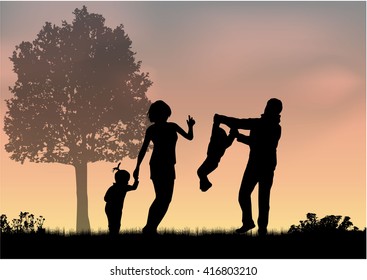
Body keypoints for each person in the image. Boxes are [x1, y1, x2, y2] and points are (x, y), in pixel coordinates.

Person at [214, 98, 282, 235]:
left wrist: (223, 119)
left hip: (259, 164)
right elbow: (250, 135)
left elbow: (242, 125)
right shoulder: (271, 125)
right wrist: (239, 135)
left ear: (273, 110)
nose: (266, 108)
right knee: (256, 197)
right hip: (263, 164)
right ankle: (253, 224)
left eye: (268, 106)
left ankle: (257, 226)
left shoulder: (264, 124)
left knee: (254, 196)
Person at [133, 100, 195, 234]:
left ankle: (151, 227)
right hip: (158, 164)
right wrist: (137, 167)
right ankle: (150, 227)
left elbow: (189, 137)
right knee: (162, 197)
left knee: (164, 198)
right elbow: (143, 149)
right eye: (164, 112)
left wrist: (190, 126)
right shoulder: (155, 129)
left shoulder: (171, 126)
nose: (166, 114)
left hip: (168, 164)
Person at [197, 121, 238, 192]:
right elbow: (231, 135)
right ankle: (205, 184)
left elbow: (216, 127)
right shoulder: (224, 143)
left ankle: (206, 184)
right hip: (213, 162)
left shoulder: (221, 142)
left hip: (212, 161)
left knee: (200, 172)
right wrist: (233, 128)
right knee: (200, 172)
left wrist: (217, 122)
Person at [104, 163, 139, 235]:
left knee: (114, 223)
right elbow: (134, 187)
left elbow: (105, 198)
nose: (128, 182)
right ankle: (114, 234)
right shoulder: (123, 187)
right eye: (127, 180)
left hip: (111, 208)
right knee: (115, 223)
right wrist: (136, 179)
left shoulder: (114, 188)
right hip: (113, 208)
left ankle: (113, 233)